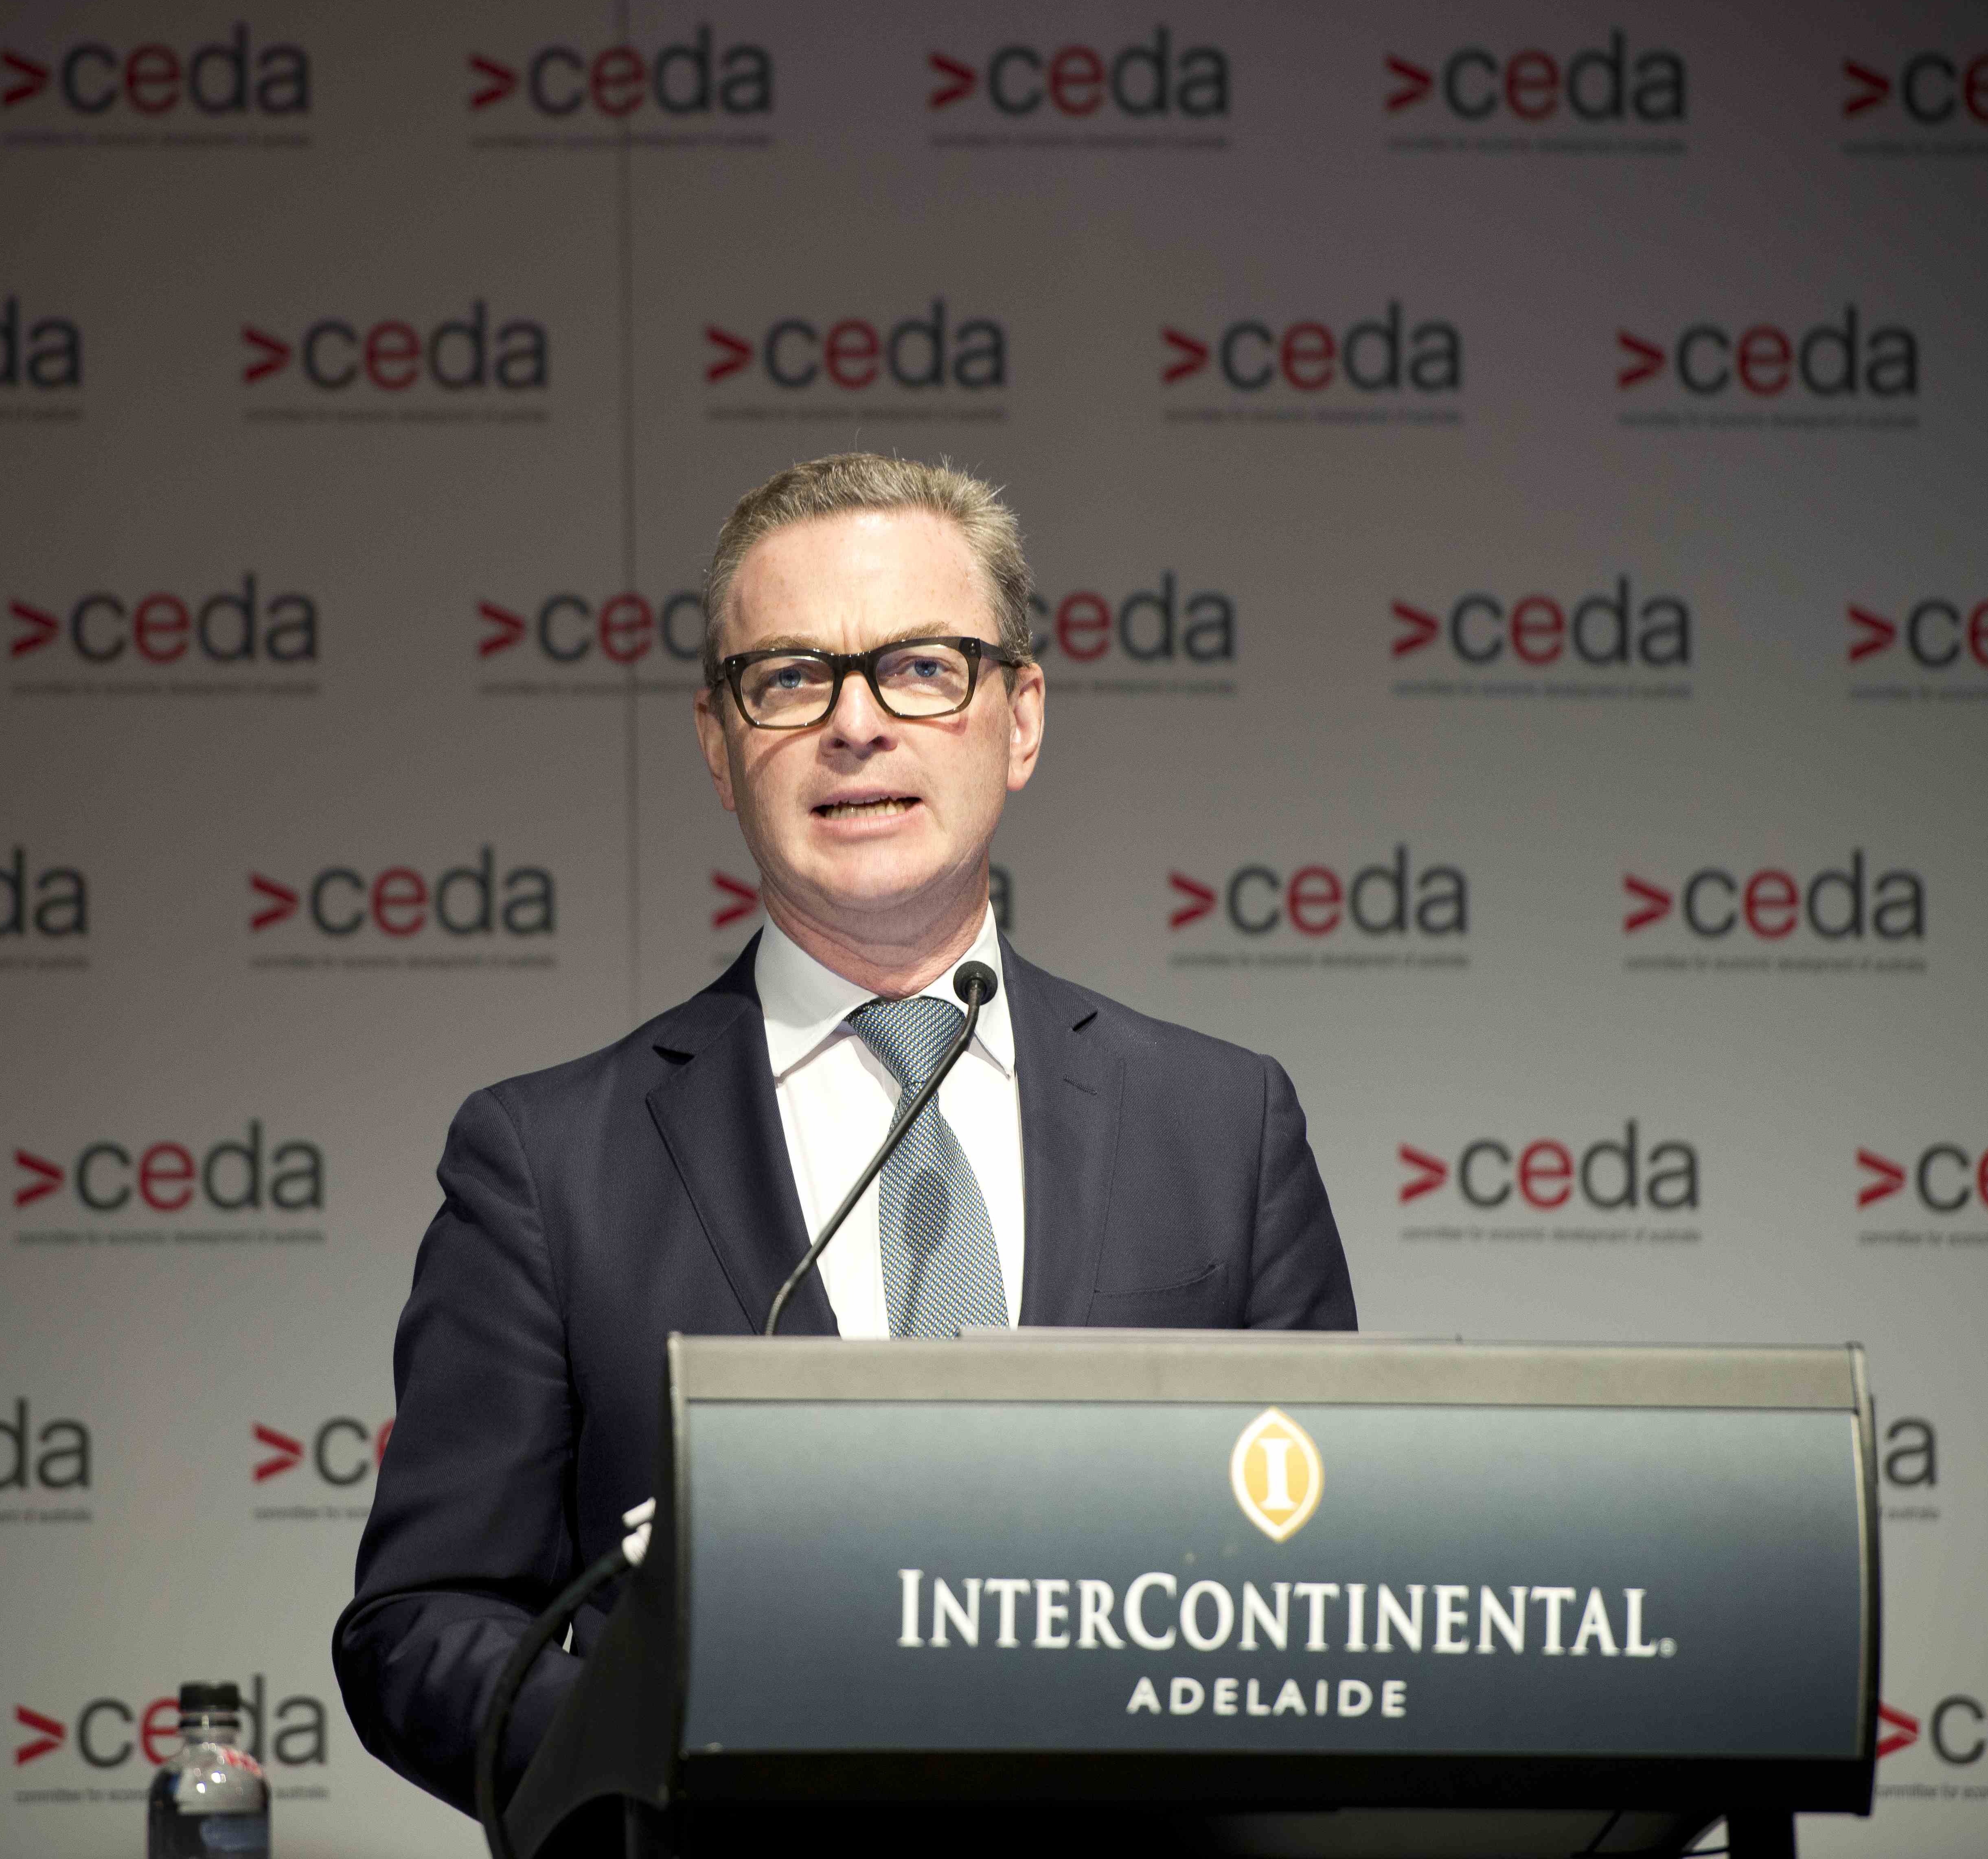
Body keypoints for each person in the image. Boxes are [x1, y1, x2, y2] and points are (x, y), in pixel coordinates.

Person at [333, 453, 1357, 1813]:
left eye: (923, 667)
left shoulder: (1224, 1127)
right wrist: (694, 1749)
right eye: (791, 678)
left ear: (1021, 718)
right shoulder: (546, 1163)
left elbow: (1333, 1587)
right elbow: (422, 1628)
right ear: (719, 745)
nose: (856, 725)